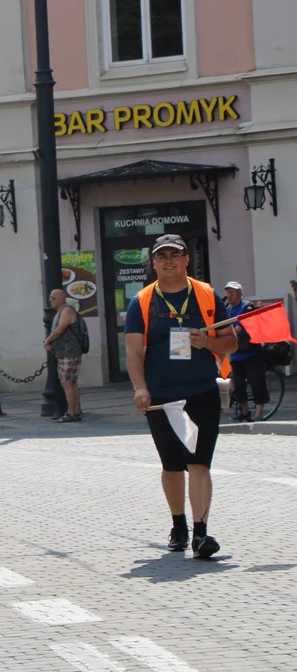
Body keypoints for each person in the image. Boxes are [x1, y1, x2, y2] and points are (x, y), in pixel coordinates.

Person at [125, 234, 237, 560]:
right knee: (172, 465)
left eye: (175, 255)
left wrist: (208, 343)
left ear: (187, 259)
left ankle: (201, 533)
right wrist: (140, 388)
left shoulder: (206, 295)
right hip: (160, 397)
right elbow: (133, 352)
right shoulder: (142, 301)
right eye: (162, 256)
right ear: (154, 263)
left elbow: (230, 342)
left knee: (199, 462)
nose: (169, 261)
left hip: (202, 391)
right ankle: (179, 526)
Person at [224, 281, 269, 422]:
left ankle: (259, 414)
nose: (230, 296)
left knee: (257, 383)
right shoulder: (228, 310)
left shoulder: (247, 306)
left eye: (233, 293)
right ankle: (245, 412)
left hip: (251, 352)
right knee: (238, 386)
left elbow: (243, 325)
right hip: (236, 354)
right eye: (228, 293)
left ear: (240, 294)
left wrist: (230, 336)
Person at [44, 290, 84, 422]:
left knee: (67, 382)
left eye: (53, 298)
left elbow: (60, 329)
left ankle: (71, 412)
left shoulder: (67, 310)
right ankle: (76, 410)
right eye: (50, 298)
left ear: (62, 298)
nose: (51, 300)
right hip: (63, 352)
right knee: (71, 382)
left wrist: (48, 340)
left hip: (70, 352)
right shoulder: (59, 312)